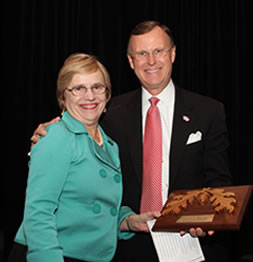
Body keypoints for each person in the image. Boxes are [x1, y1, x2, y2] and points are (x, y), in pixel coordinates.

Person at [31, 21, 233, 261]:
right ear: (130, 61)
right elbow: (73, 142)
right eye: (142, 53)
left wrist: (210, 218)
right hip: (125, 246)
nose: (151, 61)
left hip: (190, 243)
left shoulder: (208, 111)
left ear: (173, 54)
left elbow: (218, 182)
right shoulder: (106, 111)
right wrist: (47, 131)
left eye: (158, 51)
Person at [8, 53, 160, 262]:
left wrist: (129, 221)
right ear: (64, 95)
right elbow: (38, 213)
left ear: (107, 95)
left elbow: (91, 209)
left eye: (97, 87)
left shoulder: (108, 144)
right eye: (78, 88)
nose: (90, 96)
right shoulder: (56, 136)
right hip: (52, 254)